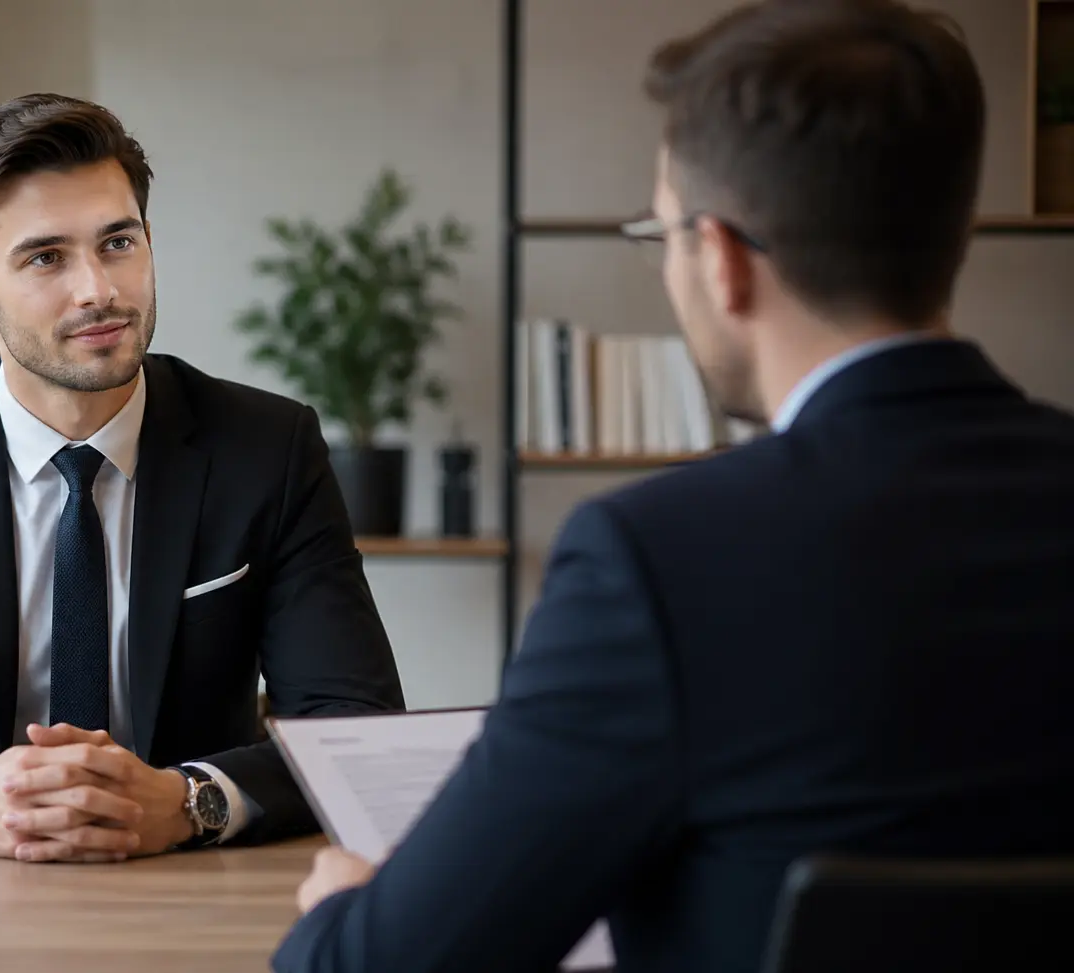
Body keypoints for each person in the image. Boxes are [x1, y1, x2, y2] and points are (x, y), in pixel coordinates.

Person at [273, 1, 1074, 970]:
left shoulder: (654, 561)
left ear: (723, 260)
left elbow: (390, 964)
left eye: (659, 238)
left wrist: (345, 913)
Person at [0, 93, 405, 862]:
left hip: (188, 885)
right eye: (46, 257)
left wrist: (192, 800)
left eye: (118, 242)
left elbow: (354, 728)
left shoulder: (269, 448)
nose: (98, 289)